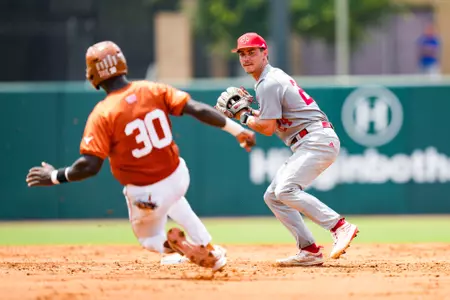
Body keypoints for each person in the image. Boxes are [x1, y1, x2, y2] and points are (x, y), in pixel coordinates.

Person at [25, 41, 256, 272]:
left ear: (94, 75)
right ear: (121, 64)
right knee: (174, 200)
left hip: (146, 193)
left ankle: (182, 247)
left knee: (149, 238)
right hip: (178, 176)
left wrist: (55, 176)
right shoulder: (152, 89)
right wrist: (238, 130)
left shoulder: (103, 113)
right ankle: (209, 248)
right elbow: (197, 109)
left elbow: (90, 166)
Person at [215, 32, 358, 266]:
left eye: (252, 52)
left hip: (316, 140)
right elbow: (273, 118)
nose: (246, 58)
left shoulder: (268, 82)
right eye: (242, 53)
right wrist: (250, 114)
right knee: (273, 196)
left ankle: (339, 226)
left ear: (265, 53)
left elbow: (268, 128)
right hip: (310, 140)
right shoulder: (269, 78)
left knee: (285, 190)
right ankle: (309, 250)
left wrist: (243, 115)